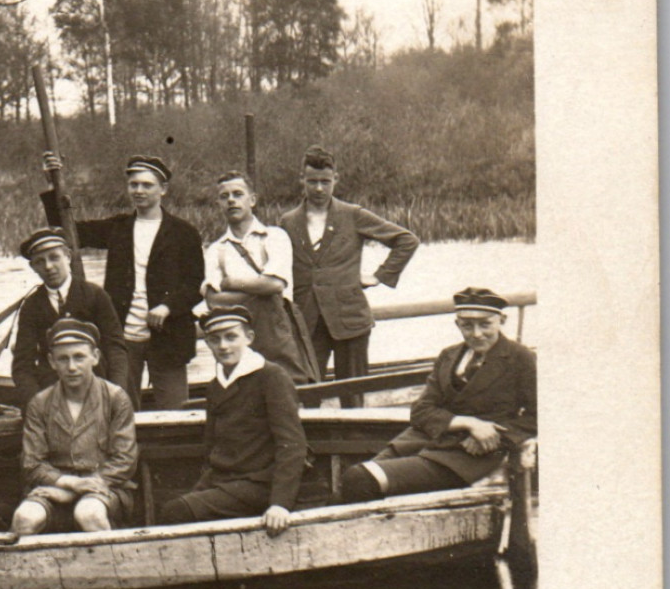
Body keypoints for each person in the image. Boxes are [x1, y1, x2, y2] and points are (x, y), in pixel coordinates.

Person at [41, 152, 205, 409]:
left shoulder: (184, 233)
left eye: (147, 185)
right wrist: (53, 185)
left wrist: (168, 306)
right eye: (134, 184)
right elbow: (69, 231)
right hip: (123, 337)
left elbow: (195, 285)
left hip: (169, 335)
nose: (139, 190)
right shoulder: (118, 227)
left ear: (163, 189)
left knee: (175, 408)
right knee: (121, 408)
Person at [341, 288, 537, 502]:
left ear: (502, 320)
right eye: (467, 325)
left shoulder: (520, 358)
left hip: (465, 456)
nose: (476, 333)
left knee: (360, 479)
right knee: (353, 483)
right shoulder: (449, 355)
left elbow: (538, 416)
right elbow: (420, 411)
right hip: (421, 441)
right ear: (457, 325)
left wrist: (497, 435)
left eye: (485, 324)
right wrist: (469, 423)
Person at [278, 146, 419, 405]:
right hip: (307, 323)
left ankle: (354, 444)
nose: (319, 188)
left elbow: (406, 240)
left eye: (325, 181)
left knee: (353, 396)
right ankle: (314, 445)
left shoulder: (353, 215)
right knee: (306, 396)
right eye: (312, 181)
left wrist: (379, 276)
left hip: (350, 320)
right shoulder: (287, 222)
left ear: (336, 180)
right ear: (302, 180)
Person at [160, 307, 306, 534]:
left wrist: (280, 503)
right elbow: (211, 447)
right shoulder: (216, 386)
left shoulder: (271, 376)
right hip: (224, 481)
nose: (223, 346)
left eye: (231, 337)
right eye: (214, 339)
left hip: (260, 484)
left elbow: (293, 445)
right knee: (171, 507)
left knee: (176, 512)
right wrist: (200, 488)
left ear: (249, 337)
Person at [11, 320, 139, 536]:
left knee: (89, 514)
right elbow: (32, 463)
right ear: (52, 362)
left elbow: (124, 460)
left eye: (79, 357)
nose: (71, 367)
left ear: (95, 357)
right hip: (53, 487)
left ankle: (109, 565)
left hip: (105, 487)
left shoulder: (116, 398)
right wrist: (69, 484)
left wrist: (75, 491)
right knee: (24, 518)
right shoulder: (40, 403)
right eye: (63, 359)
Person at [202, 172, 319, 383]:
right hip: (236, 335)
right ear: (218, 203)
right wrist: (258, 288)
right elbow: (213, 299)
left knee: (291, 386)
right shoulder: (216, 250)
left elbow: (275, 285)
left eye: (238, 194)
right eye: (225, 196)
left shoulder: (274, 236)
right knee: (242, 391)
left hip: (277, 331)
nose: (231, 200)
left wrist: (232, 284)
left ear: (252, 199)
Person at [10, 227, 130, 406]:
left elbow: (116, 349)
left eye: (54, 257)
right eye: (40, 261)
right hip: (52, 396)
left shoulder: (95, 295)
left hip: (98, 391)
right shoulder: (31, 306)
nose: (48, 266)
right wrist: (36, 402)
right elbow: (22, 365)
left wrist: (115, 393)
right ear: (33, 267)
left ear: (68, 256)